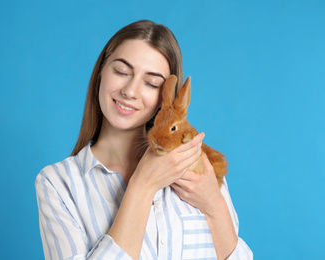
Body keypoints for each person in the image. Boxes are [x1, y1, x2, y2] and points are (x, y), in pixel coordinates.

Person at [35, 20, 253, 260]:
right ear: (100, 73)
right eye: (121, 71)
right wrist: (142, 185)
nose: (130, 91)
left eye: (151, 83)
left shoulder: (199, 166)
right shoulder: (58, 184)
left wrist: (213, 203)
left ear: (165, 97)